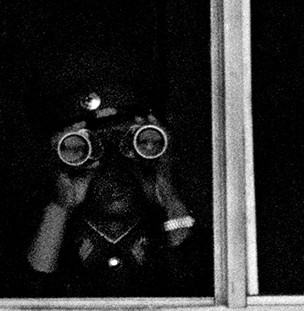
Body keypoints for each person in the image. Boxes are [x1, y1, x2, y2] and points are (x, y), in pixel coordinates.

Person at [24, 86, 197, 297]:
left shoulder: (161, 233)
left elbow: (197, 286)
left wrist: (166, 190)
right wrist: (60, 206)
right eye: (77, 148)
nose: (114, 174)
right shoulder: (55, 235)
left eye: (139, 143)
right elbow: (30, 296)